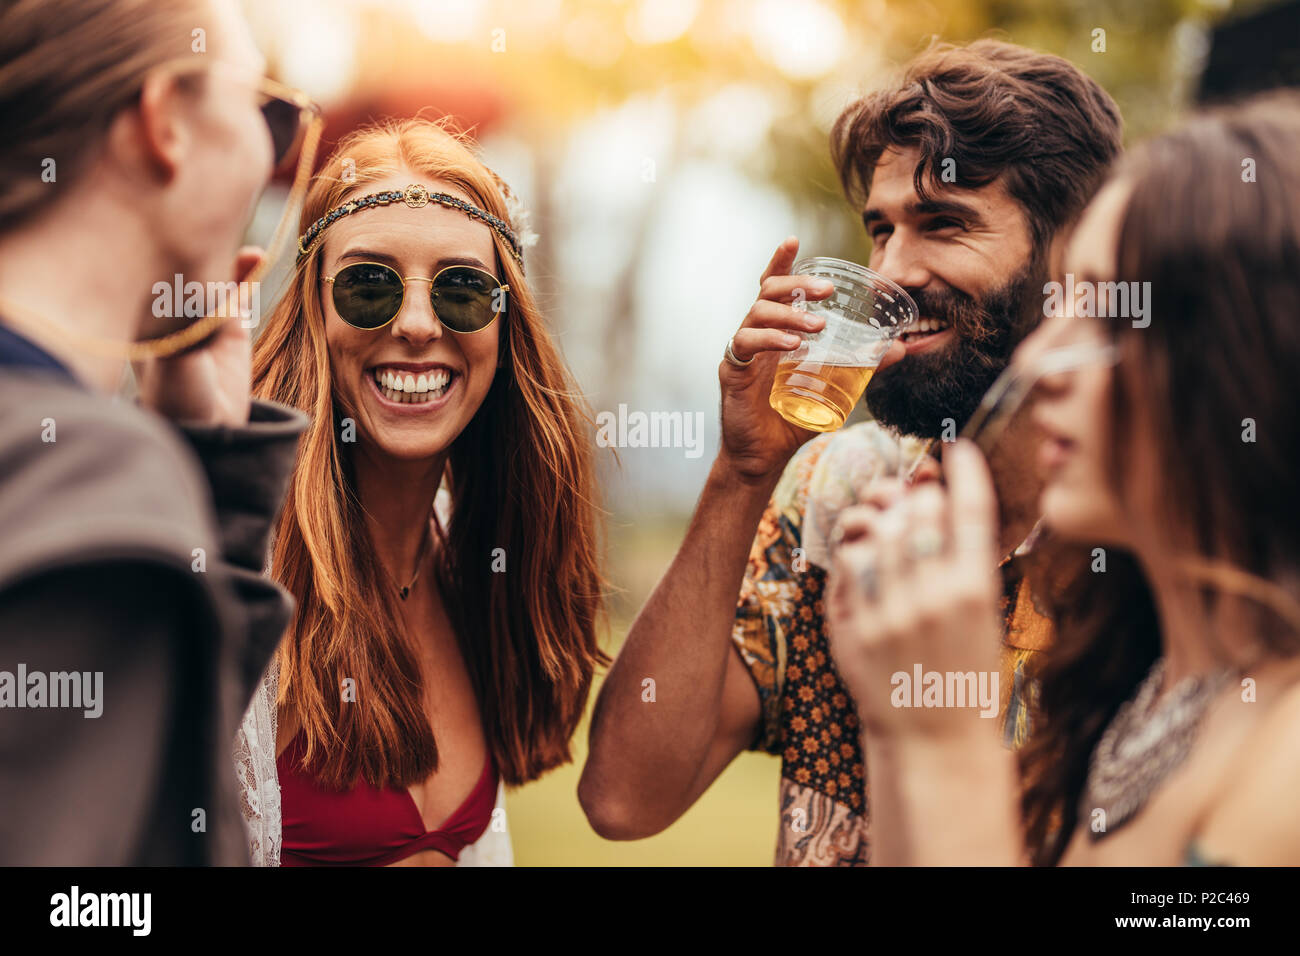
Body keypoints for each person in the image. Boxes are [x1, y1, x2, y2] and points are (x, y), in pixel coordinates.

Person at [580, 39, 1123, 864]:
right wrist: (744, 473)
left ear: (1070, 255)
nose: (892, 271)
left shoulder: (1147, 539)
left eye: (943, 224)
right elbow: (624, 797)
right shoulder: (837, 490)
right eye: (879, 230)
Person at [825, 91, 1300, 866]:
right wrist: (897, 717)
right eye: (1063, 305)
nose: (1042, 361)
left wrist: (950, 746)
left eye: (1107, 319)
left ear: (1253, 365)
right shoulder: (1142, 694)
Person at [234, 118, 608, 866]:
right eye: (368, 285)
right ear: (313, 311)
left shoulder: (478, 560)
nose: (414, 323)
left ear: (505, 328)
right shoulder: (238, 569)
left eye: (462, 291)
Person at [0, 0, 311, 864]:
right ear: (165, 120)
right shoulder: (88, 477)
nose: (277, 158)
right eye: (266, 110)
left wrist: (205, 484)